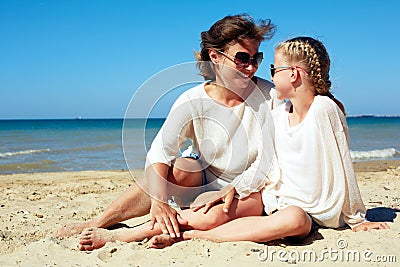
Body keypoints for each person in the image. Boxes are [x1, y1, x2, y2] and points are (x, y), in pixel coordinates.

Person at [57, 14, 282, 245]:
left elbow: (270, 160)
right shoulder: (193, 99)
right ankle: (99, 221)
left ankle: (130, 233)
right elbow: (160, 152)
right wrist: (159, 201)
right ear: (215, 57)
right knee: (180, 167)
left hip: (248, 188)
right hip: (204, 180)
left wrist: (234, 187)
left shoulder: (271, 97)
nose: (251, 67)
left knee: (214, 214)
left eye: (257, 58)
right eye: (242, 58)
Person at [143, 36, 389, 248]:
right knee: (213, 210)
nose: (263, 72)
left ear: (293, 74)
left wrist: (357, 219)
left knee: (294, 219)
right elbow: (267, 163)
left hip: (315, 210)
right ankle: (133, 232)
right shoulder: (279, 114)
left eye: (273, 68)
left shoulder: (324, 109)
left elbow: (343, 164)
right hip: (279, 200)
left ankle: (191, 236)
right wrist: (236, 187)